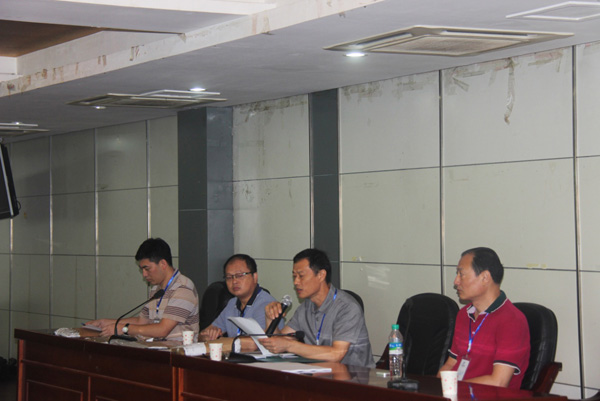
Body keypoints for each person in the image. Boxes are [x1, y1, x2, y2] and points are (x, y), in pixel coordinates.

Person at [260, 248, 374, 367]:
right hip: (318, 373)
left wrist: (290, 345)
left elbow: (336, 354)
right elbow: (280, 341)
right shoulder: (305, 307)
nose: (296, 282)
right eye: (294, 276)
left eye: (301, 276)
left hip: (355, 375)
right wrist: (270, 319)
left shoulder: (347, 307)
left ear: (321, 275)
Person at [438, 247, 530, 389]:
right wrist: (435, 390)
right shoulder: (463, 314)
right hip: (457, 392)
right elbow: (450, 364)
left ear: (485, 277)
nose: (456, 281)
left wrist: (453, 386)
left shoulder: (512, 321)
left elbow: (498, 382)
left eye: (461, 274)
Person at [87, 238, 199, 341]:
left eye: (147, 269)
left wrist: (124, 329)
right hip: (155, 349)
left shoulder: (183, 288)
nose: (144, 274)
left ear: (163, 264)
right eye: (142, 270)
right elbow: (141, 321)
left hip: (177, 353)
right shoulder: (156, 290)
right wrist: (106, 323)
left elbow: (162, 330)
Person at [200, 254, 282, 342]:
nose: (234, 281)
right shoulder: (232, 303)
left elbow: (255, 343)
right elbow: (202, 335)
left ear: (255, 277)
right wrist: (208, 336)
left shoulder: (266, 304)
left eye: (239, 275)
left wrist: (219, 341)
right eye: (229, 277)